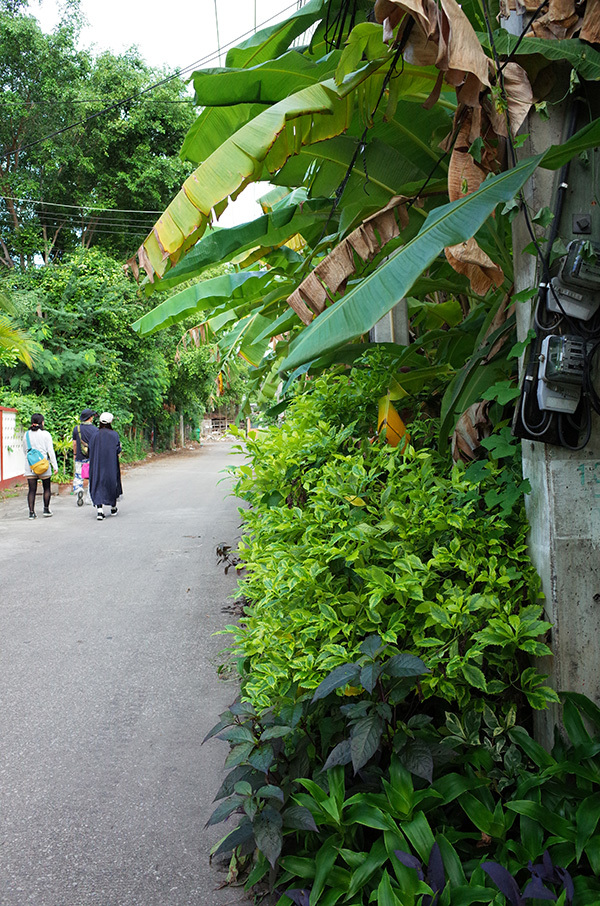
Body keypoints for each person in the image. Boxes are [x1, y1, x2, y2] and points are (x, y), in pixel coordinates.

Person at [22, 413, 58, 519]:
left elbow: (25, 451)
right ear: (42, 422)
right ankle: (46, 509)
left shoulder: (26, 434)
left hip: (31, 466)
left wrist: (31, 461)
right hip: (43, 465)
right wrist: (54, 466)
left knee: (31, 490)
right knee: (46, 488)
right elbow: (50, 451)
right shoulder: (46, 434)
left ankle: (31, 513)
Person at [89, 412, 122, 521]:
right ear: (110, 422)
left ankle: (99, 511)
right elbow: (118, 449)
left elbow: (89, 450)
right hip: (111, 464)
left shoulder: (94, 435)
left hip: (97, 464)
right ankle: (113, 507)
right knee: (111, 483)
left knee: (98, 483)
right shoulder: (114, 435)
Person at [72, 408, 98, 506]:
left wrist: (75, 454)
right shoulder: (95, 430)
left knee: (78, 476)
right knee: (92, 477)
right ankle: (90, 498)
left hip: (79, 457)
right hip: (92, 458)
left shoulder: (76, 429)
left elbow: (74, 444)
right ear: (90, 418)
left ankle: (79, 489)